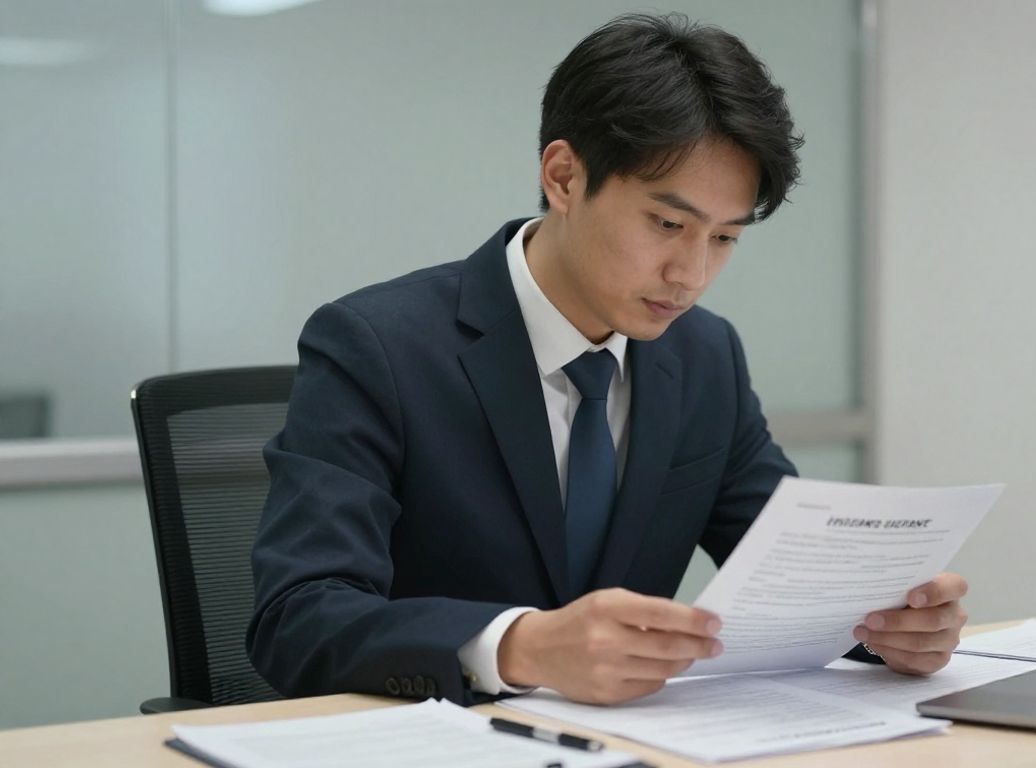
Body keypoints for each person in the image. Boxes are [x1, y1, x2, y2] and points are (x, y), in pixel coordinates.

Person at [248, 12, 968, 707]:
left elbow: (794, 572)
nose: (691, 274)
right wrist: (520, 646)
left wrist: (888, 626)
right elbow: (299, 617)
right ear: (563, 177)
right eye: (667, 224)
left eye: (724, 239)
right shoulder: (377, 347)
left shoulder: (704, 356)